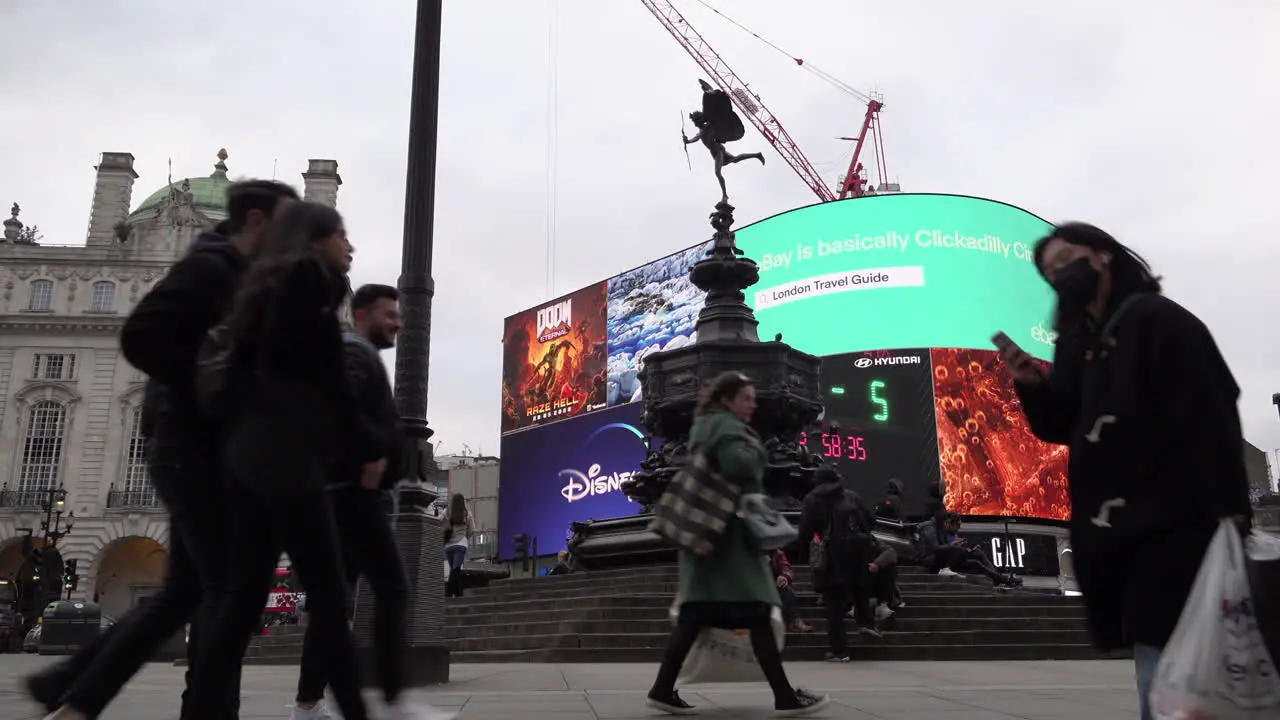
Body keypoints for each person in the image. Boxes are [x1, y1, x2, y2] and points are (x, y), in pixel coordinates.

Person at [27, 180, 299, 720]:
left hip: (198, 448)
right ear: (259, 222)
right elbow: (142, 336)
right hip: (188, 448)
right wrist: (209, 387)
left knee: (186, 592)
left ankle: (72, 690)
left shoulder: (236, 272)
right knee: (225, 592)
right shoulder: (212, 266)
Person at [998, 222, 1252, 720]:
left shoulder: (1159, 320)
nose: (1060, 274)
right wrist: (1031, 383)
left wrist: (1231, 514)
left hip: (1179, 527)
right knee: (1160, 661)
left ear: (1104, 256)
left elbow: (1211, 416)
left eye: (1068, 259)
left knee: (1176, 661)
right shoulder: (1079, 346)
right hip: (1123, 536)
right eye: (1050, 271)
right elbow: (1062, 426)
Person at [182, 202, 376, 720]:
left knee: (245, 600)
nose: (349, 246)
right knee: (331, 597)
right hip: (283, 461)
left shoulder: (277, 282)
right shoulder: (304, 285)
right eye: (341, 235)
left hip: (254, 458)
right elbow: (318, 381)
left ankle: (204, 707)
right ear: (314, 239)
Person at [290, 283, 443, 720]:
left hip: (340, 497)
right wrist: (372, 454)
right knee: (392, 588)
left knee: (333, 605)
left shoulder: (355, 352)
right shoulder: (356, 353)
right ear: (363, 315)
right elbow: (342, 405)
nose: (398, 322)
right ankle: (394, 698)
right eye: (389, 314)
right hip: (357, 497)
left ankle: (307, 703)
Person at [646, 371, 827, 716]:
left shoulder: (706, 424)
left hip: (709, 540)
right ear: (728, 399)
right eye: (746, 398)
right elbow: (737, 463)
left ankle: (662, 688)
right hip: (728, 542)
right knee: (758, 612)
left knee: (696, 617)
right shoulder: (727, 427)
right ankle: (784, 696)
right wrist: (759, 450)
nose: (752, 404)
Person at [797, 466, 881, 663]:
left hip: (832, 556)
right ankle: (866, 622)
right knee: (860, 589)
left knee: (834, 606)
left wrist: (807, 549)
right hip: (857, 552)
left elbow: (805, 531)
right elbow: (870, 520)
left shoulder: (813, 499)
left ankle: (840, 651)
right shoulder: (851, 496)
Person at [917, 512, 1021, 588]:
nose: (958, 528)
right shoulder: (932, 530)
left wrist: (967, 550)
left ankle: (999, 579)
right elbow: (938, 550)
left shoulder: (943, 532)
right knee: (972, 555)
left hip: (949, 558)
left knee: (976, 559)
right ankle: (1002, 579)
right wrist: (953, 546)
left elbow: (948, 550)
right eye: (956, 525)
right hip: (939, 562)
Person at [770, 549, 812, 633]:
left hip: (774, 586)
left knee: (784, 588)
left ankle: (795, 620)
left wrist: (784, 577)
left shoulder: (777, 553)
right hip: (759, 588)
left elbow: (787, 569)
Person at [443, 494, 472, 598]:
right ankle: (450, 593)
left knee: (454, 569)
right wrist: (465, 537)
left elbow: (442, 524)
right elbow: (471, 530)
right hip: (461, 544)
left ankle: (457, 593)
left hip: (448, 546)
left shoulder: (447, 512)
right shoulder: (467, 513)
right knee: (456, 569)